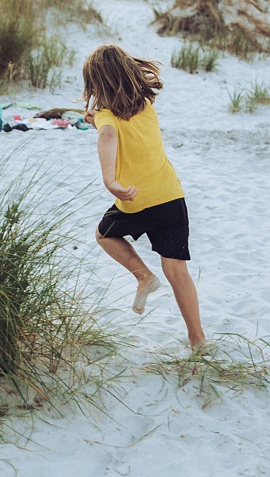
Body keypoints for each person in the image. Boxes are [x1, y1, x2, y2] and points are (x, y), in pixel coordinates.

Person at [81, 44, 205, 350]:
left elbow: (108, 134)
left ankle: (144, 277)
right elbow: (111, 126)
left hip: (136, 201)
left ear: (97, 85)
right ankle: (197, 338)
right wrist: (95, 119)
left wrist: (111, 181)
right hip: (170, 196)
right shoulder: (147, 105)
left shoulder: (107, 116)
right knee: (177, 269)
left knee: (104, 234)